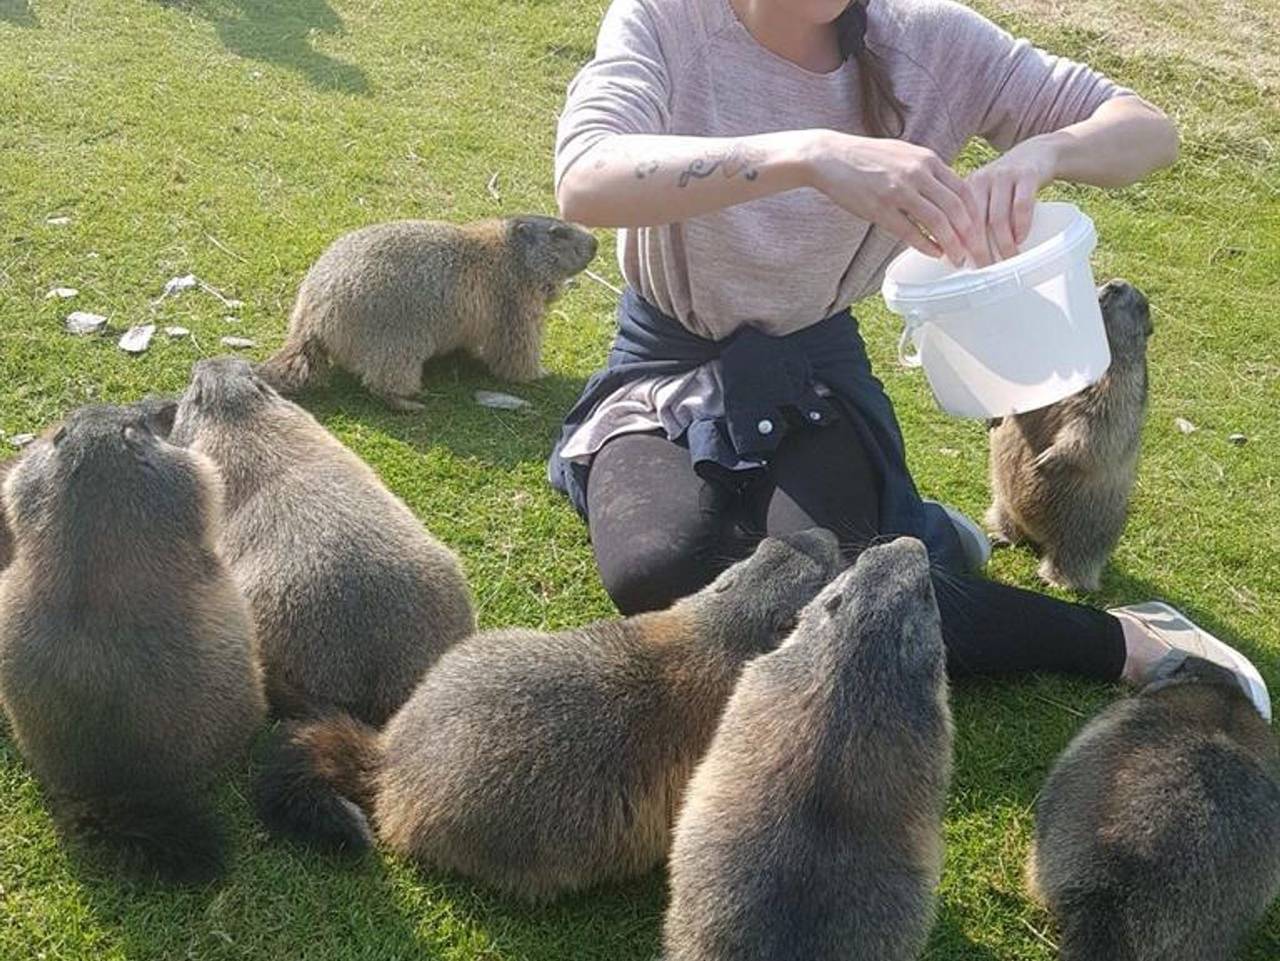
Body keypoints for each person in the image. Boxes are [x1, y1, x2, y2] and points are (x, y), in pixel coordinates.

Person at [546, 0, 1271, 718]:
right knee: (656, 570)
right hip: (664, 364)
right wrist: (811, 156)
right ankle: (923, 531)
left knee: (840, 594)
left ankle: (1124, 639)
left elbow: (1149, 131)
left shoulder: (929, 41)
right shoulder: (668, 19)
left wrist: (1041, 154)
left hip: (812, 372)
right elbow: (585, 176)